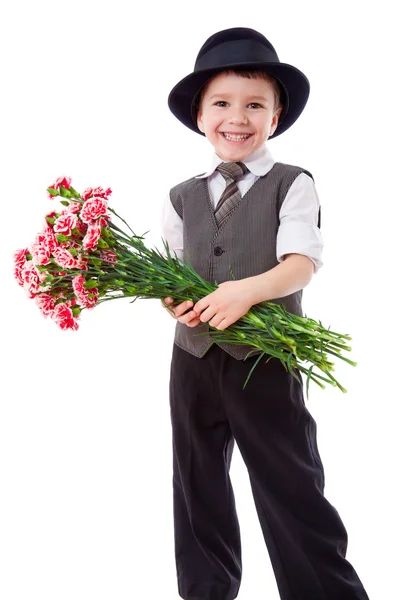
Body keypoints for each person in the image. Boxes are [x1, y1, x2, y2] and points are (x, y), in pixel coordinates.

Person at [160, 27, 369, 600]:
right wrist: (172, 300)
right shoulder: (181, 195)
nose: (237, 117)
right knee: (196, 482)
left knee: (289, 483)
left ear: (275, 117)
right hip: (193, 359)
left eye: (255, 105)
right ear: (200, 117)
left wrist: (245, 292)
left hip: (265, 361)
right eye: (222, 104)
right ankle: (205, 589)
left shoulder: (291, 184)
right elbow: (174, 271)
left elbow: (300, 264)